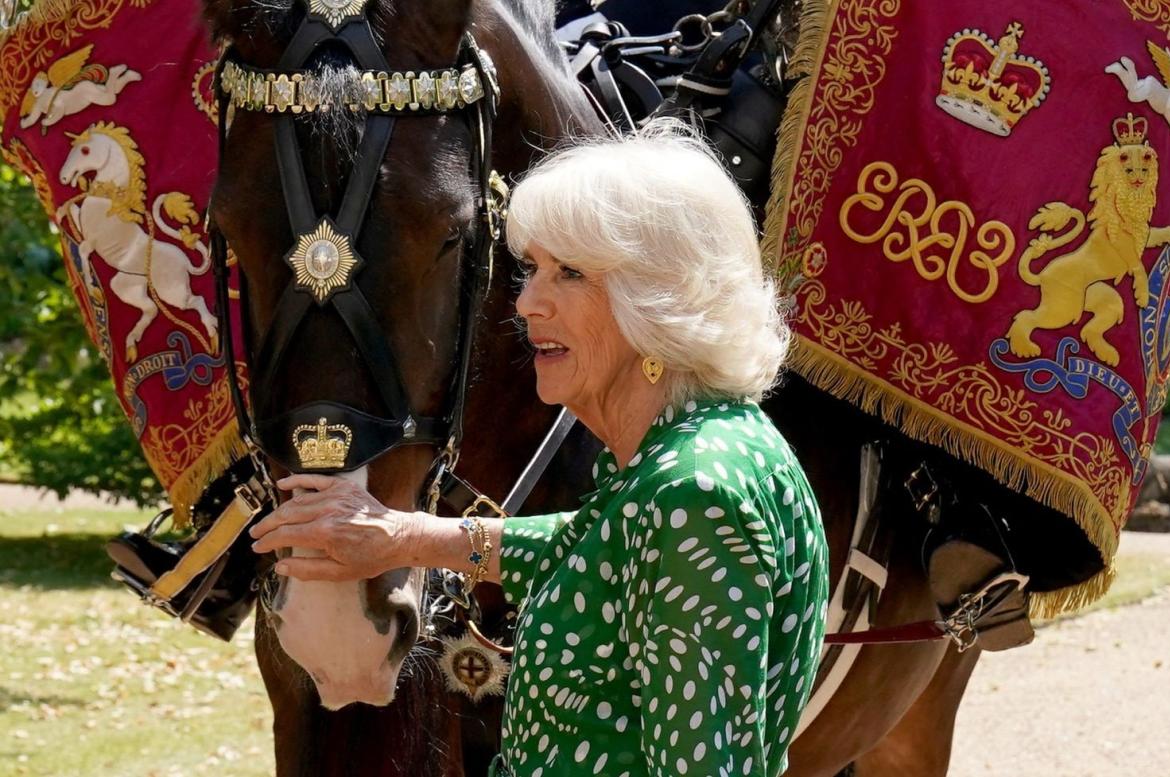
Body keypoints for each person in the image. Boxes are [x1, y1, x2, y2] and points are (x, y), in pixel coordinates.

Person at [249, 120, 830, 777]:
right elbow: (591, 552)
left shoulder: (692, 491)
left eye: (569, 273)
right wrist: (402, 535)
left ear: (662, 300)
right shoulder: (698, 449)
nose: (526, 302)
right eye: (532, 270)